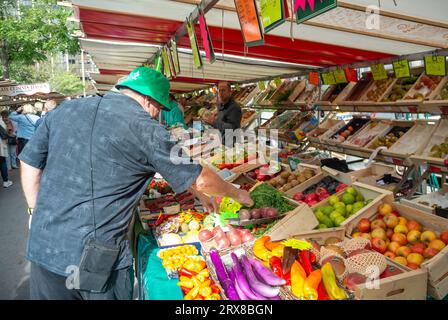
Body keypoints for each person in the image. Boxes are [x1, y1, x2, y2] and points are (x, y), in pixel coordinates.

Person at [19, 66, 253, 300]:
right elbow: (201, 178)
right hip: (93, 255)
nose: (157, 114)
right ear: (149, 100)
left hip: (44, 243)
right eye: (159, 108)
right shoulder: (146, 128)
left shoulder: (66, 109)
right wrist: (237, 193)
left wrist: (33, 209)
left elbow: (29, 163)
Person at [203, 81, 242, 145]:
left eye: (223, 90)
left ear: (230, 92)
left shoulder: (234, 107)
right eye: (219, 90)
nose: (220, 93)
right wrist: (210, 122)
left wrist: (214, 122)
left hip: (231, 144)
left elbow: (231, 128)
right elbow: (221, 122)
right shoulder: (221, 105)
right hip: (222, 140)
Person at [0, 118, 13, 188]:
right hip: (1, 145)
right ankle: (6, 181)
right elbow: (6, 132)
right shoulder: (0, 121)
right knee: (2, 162)